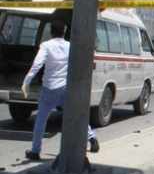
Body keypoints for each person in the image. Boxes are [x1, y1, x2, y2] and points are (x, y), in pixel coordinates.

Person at [21, 20, 99, 161]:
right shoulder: (70, 46)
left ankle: (35, 151)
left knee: (41, 120)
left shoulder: (46, 46)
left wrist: (26, 82)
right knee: (75, 114)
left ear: (51, 31)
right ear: (64, 32)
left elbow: (37, 64)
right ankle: (92, 139)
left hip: (49, 89)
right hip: (65, 89)